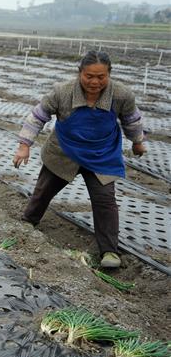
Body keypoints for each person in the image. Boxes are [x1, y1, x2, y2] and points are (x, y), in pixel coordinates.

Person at [13, 51, 147, 269]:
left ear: (109, 75)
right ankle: (28, 221)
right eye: (89, 76)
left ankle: (109, 251)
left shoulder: (121, 95)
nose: (95, 82)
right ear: (80, 74)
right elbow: (37, 117)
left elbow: (132, 120)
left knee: (105, 201)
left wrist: (138, 141)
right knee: (44, 191)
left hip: (101, 155)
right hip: (64, 152)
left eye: (101, 77)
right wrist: (23, 146)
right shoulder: (62, 92)